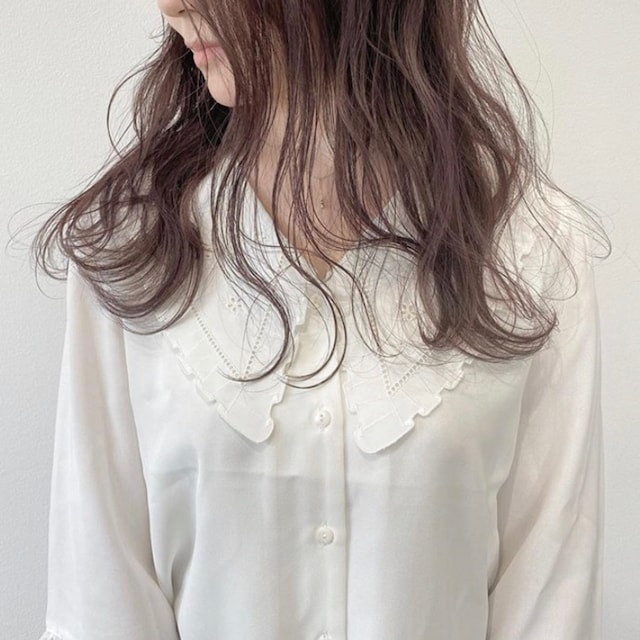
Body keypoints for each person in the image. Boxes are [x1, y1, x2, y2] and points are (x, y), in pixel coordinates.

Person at [35, 0, 609, 638]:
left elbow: (550, 605)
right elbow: (100, 609)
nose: (171, 6)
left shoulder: (531, 251)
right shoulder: (133, 248)